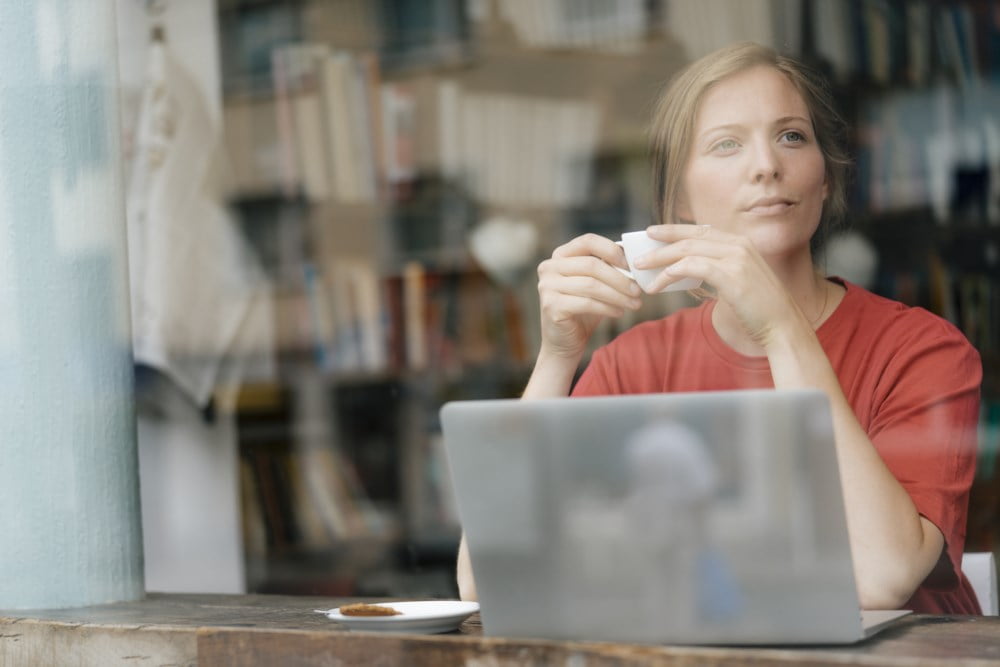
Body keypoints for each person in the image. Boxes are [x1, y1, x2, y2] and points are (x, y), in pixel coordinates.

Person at [457, 41, 982, 615]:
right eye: (726, 144)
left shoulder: (922, 351)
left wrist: (781, 329)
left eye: (791, 137)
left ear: (825, 179)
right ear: (679, 198)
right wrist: (556, 357)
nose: (766, 165)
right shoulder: (633, 364)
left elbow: (880, 579)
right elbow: (489, 581)